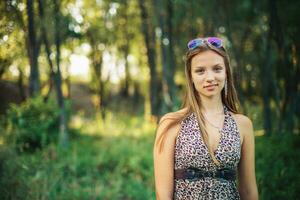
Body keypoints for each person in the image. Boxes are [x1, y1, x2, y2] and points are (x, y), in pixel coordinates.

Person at [153, 37, 259, 200]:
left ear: (226, 73)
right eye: (200, 71)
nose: (210, 77)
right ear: (191, 76)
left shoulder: (243, 124)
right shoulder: (171, 124)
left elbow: (249, 190)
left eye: (217, 69)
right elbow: (162, 194)